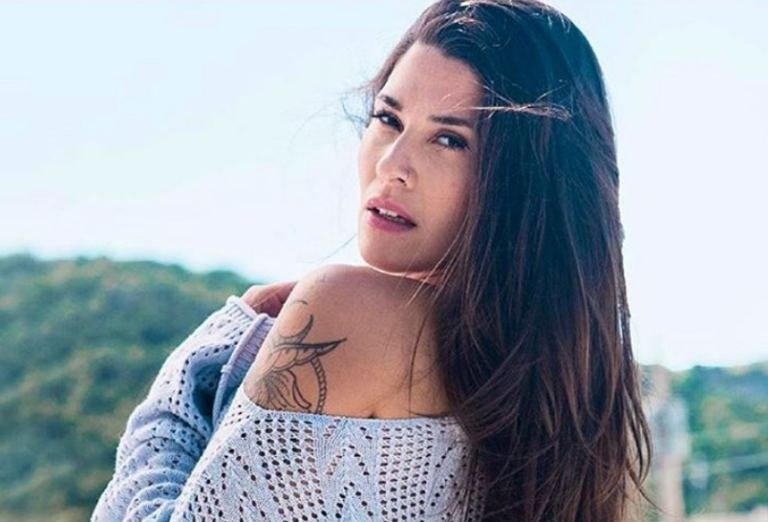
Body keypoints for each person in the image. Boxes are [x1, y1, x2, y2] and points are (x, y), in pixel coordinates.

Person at [92, 0, 654, 520]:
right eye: (388, 118)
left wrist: (216, 342)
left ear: (523, 184)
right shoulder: (557, 390)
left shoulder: (354, 314)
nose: (392, 164)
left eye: (450, 140)